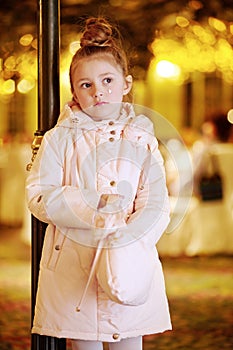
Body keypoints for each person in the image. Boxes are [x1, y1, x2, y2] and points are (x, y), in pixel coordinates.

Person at [26, 17, 171, 350]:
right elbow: (39, 195)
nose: (98, 91)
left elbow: (156, 200)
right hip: (72, 266)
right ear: (74, 92)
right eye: (85, 85)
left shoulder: (142, 139)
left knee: (128, 341)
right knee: (83, 342)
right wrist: (93, 205)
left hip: (130, 260)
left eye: (107, 80)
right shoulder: (59, 139)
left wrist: (132, 240)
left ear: (126, 84)